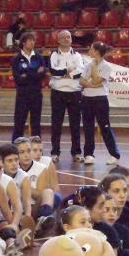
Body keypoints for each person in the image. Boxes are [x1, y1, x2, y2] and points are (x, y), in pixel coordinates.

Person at [80, 41, 119, 165]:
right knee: (88, 127)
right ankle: (89, 154)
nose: (89, 51)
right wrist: (92, 85)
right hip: (87, 99)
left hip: (100, 100)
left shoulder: (106, 66)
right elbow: (81, 81)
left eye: (91, 49)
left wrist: (93, 69)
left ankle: (114, 154)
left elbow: (97, 80)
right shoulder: (87, 65)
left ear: (96, 52)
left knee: (105, 127)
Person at [48, 30, 84, 164]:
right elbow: (53, 71)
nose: (66, 39)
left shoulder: (77, 55)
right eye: (63, 37)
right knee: (56, 124)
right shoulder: (53, 55)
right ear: (58, 40)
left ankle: (76, 152)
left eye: (68, 37)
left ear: (71, 40)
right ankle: (55, 152)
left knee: (75, 124)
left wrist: (65, 73)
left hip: (74, 93)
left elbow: (81, 71)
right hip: (58, 93)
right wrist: (67, 71)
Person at [10, 32, 47, 142]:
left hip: (36, 93)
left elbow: (43, 74)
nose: (32, 42)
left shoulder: (39, 57)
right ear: (23, 42)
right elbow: (18, 79)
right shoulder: (16, 59)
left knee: (36, 122)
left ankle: (36, 147)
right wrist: (35, 73)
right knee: (19, 122)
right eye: (30, 40)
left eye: (33, 40)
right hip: (22, 94)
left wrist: (27, 74)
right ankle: (16, 147)